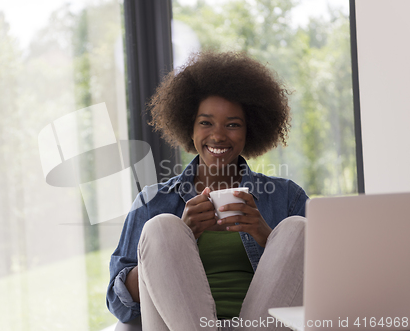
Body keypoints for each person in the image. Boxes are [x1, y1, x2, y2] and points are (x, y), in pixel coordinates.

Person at [106, 51, 308, 331]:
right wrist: (183, 235)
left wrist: (265, 236)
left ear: (250, 130)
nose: (218, 135)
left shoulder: (287, 198)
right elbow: (119, 306)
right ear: (189, 127)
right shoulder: (153, 201)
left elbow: (329, 286)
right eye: (206, 122)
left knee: (298, 228)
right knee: (163, 226)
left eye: (233, 124)